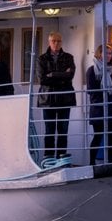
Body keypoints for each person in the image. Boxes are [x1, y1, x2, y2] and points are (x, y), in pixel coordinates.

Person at [37, 32, 76, 160]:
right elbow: (42, 79)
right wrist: (61, 75)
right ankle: (48, 159)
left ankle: (61, 158)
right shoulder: (42, 59)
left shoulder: (69, 57)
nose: (56, 43)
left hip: (64, 99)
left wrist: (52, 75)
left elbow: (70, 76)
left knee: (63, 131)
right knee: (49, 131)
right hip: (48, 99)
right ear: (49, 42)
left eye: (59, 41)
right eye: (53, 41)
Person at [85, 44, 112, 165]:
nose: (107, 55)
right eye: (105, 53)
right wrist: (104, 92)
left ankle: (111, 162)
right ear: (99, 54)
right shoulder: (92, 70)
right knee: (98, 136)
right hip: (98, 108)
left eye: (109, 53)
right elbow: (90, 90)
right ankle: (92, 162)